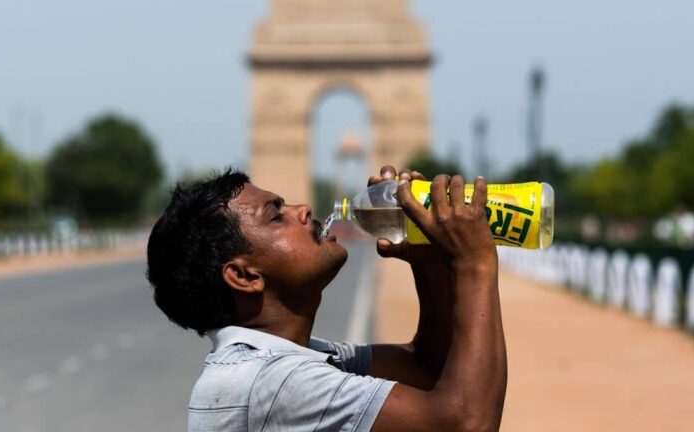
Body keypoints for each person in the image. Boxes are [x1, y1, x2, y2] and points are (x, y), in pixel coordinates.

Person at [146, 165, 507, 431]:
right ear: (244, 276)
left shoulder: (282, 360)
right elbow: (466, 424)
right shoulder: (271, 382)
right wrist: (474, 265)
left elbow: (426, 368)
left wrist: (428, 263)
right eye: (276, 216)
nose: (302, 209)